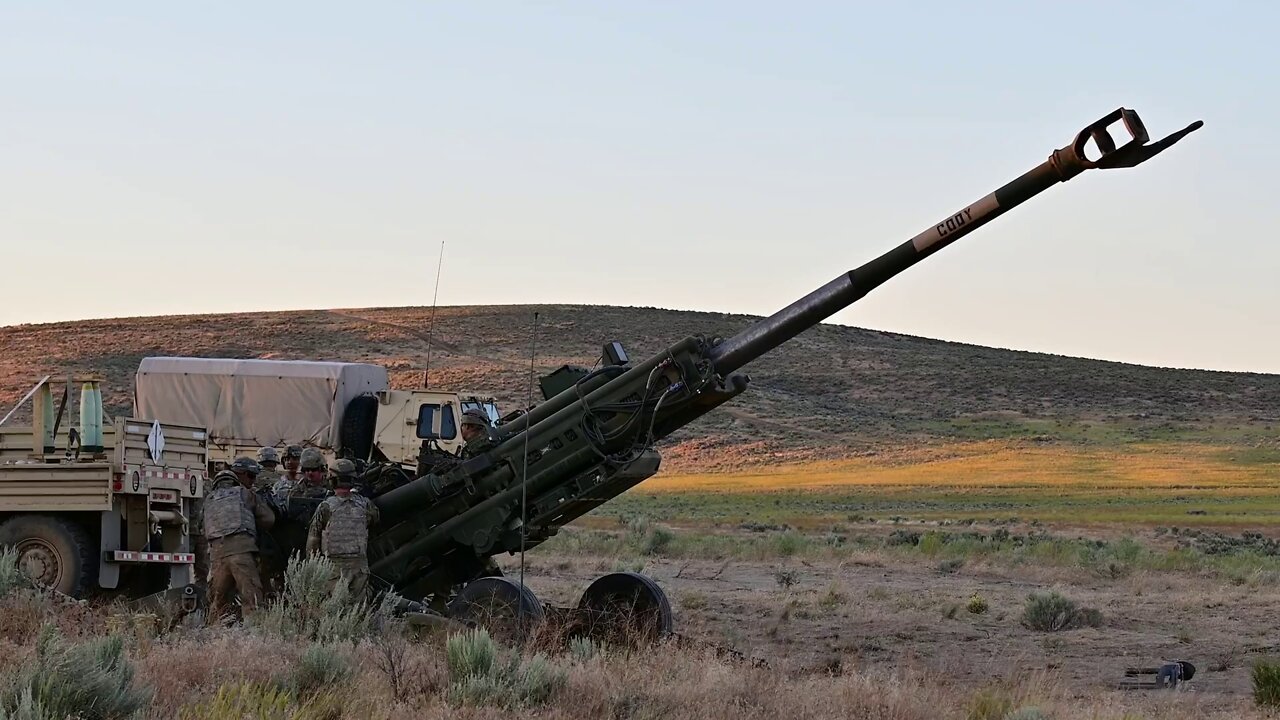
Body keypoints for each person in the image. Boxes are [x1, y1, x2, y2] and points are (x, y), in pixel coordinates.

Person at [203, 456, 274, 620]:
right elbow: (269, 519)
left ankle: (215, 635)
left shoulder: (209, 499)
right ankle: (252, 634)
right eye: (250, 476)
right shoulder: (244, 493)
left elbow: (203, 529)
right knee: (251, 597)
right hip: (241, 552)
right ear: (237, 478)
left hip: (217, 556)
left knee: (217, 601)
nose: (253, 480)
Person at [307, 458, 379, 599]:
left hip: (333, 568)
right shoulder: (365, 504)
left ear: (332, 479)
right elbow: (374, 521)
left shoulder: (326, 506)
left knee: (334, 607)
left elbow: (313, 539)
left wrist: (313, 566)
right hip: (359, 566)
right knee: (358, 608)